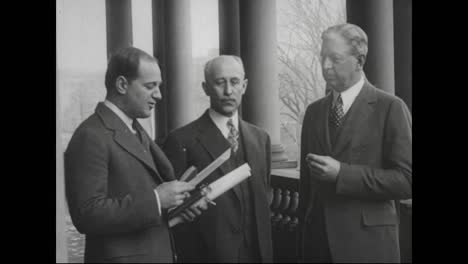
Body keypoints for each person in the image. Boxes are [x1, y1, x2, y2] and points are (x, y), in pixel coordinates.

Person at [65, 47, 206, 263]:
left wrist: (175, 208)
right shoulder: (90, 135)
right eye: (150, 86)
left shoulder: (134, 128)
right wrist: (158, 200)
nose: (158, 95)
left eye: (158, 87)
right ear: (122, 85)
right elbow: (87, 214)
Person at [297, 23, 412, 263]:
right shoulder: (314, 112)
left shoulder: (390, 107)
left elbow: (406, 180)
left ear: (359, 61)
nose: (325, 66)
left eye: (335, 58)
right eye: (322, 57)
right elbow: (306, 187)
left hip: (369, 247)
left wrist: (342, 174)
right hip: (318, 245)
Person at [163, 55, 273, 263]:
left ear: (245, 85)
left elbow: (264, 198)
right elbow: (173, 213)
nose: (228, 91)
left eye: (234, 82)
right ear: (206, 88)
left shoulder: (261, 138)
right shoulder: (181, 140)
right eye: (220, 82)